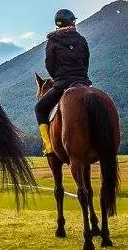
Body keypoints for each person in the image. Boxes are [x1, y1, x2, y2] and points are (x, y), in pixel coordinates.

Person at [35, 9, 91, 155]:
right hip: (83, 82)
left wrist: (58, 78)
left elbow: (49, 65)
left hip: (62, 85)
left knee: (40, 109)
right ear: (71, 22)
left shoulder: (52, 42)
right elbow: (86, 61)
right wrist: (81, 76)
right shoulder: (81, 40)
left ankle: (48, 146)